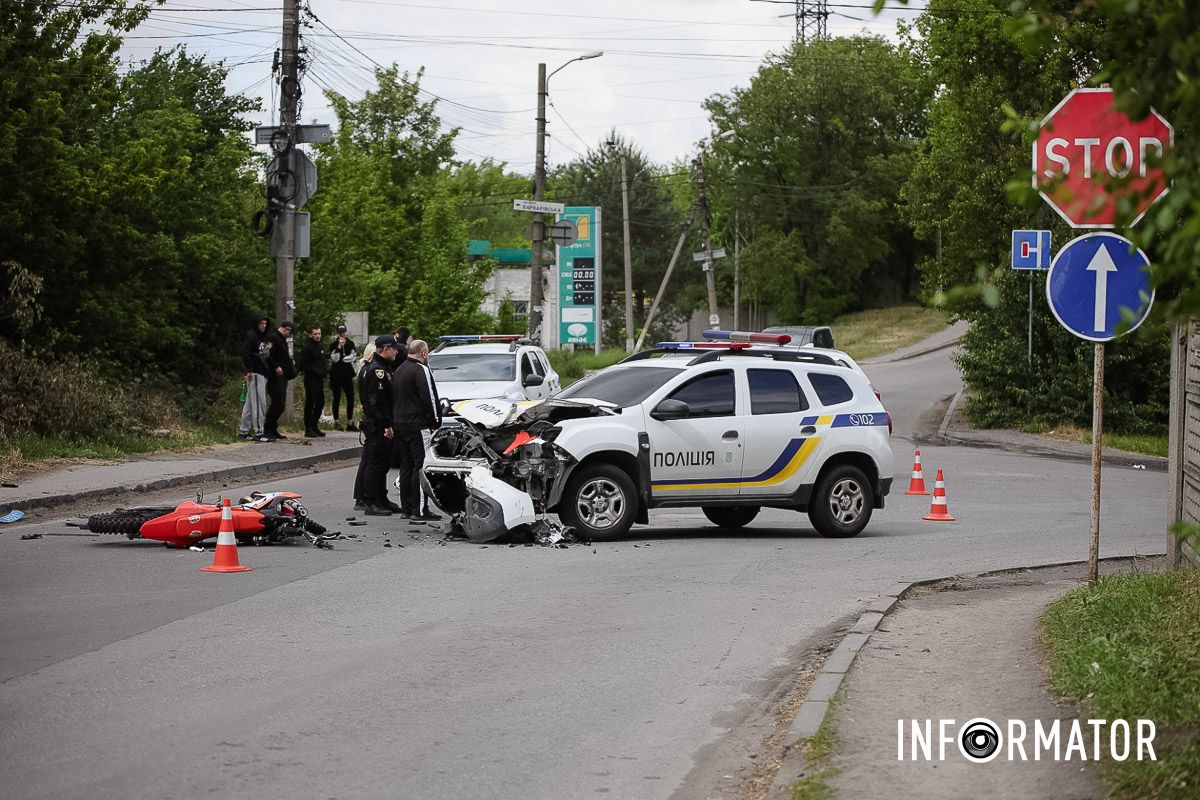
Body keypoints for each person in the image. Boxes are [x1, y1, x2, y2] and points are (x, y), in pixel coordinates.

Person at [391, 338, 442, 520]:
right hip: (418, 425)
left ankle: (407, 509)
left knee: (406, 465)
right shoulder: (421, 369)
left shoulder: (399, 370)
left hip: (400, 424)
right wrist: (436, 421)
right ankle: (419, 510)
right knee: (420, 466)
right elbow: (429, 397)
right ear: (423, 353)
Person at [355, 335, 402, 516]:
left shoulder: (378, 367)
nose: (396, 352)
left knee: (383, 463)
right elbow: (376, 402)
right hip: (377, 424)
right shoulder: (377, 371)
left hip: (376, 422)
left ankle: (381, 498)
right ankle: (370, 501)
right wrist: (386, 424)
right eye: (394, 349)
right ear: (385, 349)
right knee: (375, 463)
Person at [263, 320, 296, 441]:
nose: (289, 334)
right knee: (277, 403)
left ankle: (273, 428)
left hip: (283, 376)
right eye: (289, 332)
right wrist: (276, 366)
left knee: (281, 405)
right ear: (285, 329)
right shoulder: (273, 338)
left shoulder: (282, 340)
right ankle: (267, 429)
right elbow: (266, 354)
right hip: (274, 376)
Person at [239, 315, 270, 440]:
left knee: (250, 404)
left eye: (265, 323)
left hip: (262, 371)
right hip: (255, 372)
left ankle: (244, 431)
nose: (263, 326)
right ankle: (259, 431)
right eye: (261, 323)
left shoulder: (263, 338)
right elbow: (246, 352)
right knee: (258, 402)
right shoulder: (251, 336)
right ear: (256, 324)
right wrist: (249, 369)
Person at [297, 325, 328, 438]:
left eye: (319, 334)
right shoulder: (307, 348)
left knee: (320, 403)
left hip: (319, 379)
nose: (317, 336)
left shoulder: (320, 347)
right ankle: (308, 428)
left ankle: (314, 426)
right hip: (311, 379)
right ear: (311, 335)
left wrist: (325, 371)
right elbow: (303, 365)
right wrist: (316, 371)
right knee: (310, 403)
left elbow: (321, 362)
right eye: (315, 334)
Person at [329, 324, 358, 431]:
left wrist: (343, 357)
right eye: (340, 332)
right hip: (336, 374)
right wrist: (339, 347)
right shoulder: (333, 344)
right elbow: (334, 358)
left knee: (350, 397)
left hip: (347, 374)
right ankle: (336, 421)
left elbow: (352, 357)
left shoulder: (350, 343)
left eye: (343, 332)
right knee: (336, 397)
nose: (342, 334)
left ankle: (350, 421)